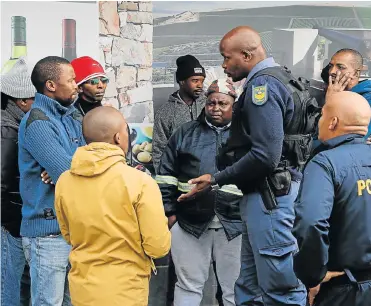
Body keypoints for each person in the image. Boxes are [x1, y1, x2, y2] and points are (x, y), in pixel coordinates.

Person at [178, 26, 309, 306]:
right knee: (248, 287)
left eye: (227, 58)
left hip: (270, 199)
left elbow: (265, 155)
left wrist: (216, 179)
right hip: (267, 197)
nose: (224, 66)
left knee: (279, 289)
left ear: (247, 55)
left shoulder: (263, 86)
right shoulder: (281, 78)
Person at [54, 106, 171, 306]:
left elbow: (68, 235)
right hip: (126, 289)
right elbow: (157, 246)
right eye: (126, 131)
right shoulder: (140, 182)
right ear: (118, 137)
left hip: (82, 287)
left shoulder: (65, 181)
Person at [156, 78, 243, 306]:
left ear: (234, 105)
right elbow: (165, 175)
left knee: (234, 289)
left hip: (233, 223)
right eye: (211, 103)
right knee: (188, 287)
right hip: (188, 223)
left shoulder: (245, 136)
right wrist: (170, 214)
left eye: (222, 104)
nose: (215, 108)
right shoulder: (185, 133)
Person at [293, 91, 371, 306]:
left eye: (322, 114)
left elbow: (311, 222)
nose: (318, 121)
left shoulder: (326, 163)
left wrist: (313, 275)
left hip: (344, 288)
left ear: (333, 122)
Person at [18, 56, 85, 306]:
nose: (77, 85)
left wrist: (69, 164)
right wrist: (66, 166)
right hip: (46, 235)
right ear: (51, 85)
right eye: (71, 80)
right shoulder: (38, 121)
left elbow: (95, 156)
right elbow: (67, 172)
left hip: (71, 231)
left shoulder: (71, 117)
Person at [1, 57, 35, 306]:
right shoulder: (7, 130)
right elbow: (2, 182)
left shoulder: (12, 123)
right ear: (22, 101)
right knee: (8, 286)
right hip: (8, 222)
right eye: (35, 99)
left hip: (10, 219)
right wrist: (12, 223)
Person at [152, 54, 206, 172]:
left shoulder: (210, 105)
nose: (200, 85)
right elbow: (159, 149)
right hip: (178, 180)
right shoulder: (166, 112)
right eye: (195, 81)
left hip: (208, 178)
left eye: (202, 80)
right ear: (182, 81)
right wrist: (164, 181)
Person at [321, 49, 371, 137]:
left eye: (340, 67)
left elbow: (348, 139)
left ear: (356, 73)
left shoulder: (366, 99)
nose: (332, 71)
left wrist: (331, 103)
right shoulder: (334, 92)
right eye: (331, 66)